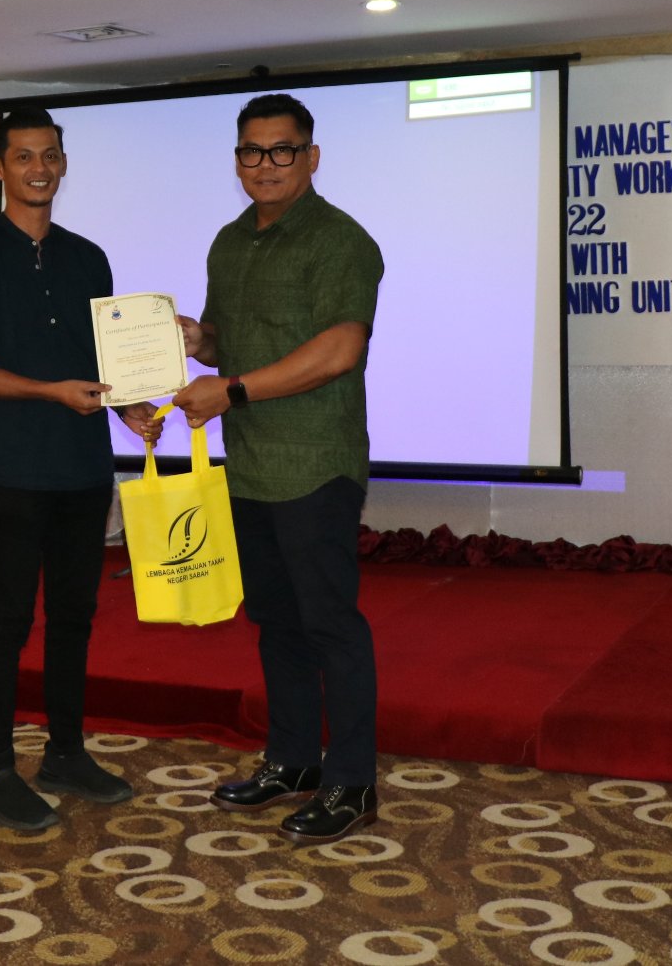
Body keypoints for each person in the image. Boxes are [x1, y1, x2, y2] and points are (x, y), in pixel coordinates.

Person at [0, 106, 162, 833]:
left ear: (64, 164)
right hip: (11, 468)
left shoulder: (88, 257)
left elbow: (101, 363)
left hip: (83, 469)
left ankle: (65, 753)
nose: (39, 168)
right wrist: (47, 392)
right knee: (9, 618)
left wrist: (131, 406)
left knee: (74, 618)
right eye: (25, 156)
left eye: (50, 155)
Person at [175, 92, 385, 845]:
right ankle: (293, 762)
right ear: (237, 160)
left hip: (316, 462)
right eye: (251, 151)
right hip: (252, 464)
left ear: (311, 156)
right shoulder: (230, 241)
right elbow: (230, 339)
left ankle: (352, 782)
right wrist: (196, 339)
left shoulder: (340, 240)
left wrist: (229, 389)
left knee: (329, 624)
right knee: (275, 622)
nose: (265, 164)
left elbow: (338, 351)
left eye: (282, 149)